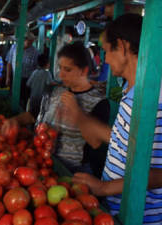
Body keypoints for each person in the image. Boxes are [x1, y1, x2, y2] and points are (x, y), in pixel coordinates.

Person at [61, 14, 162, 224]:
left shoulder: (155, 99)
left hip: (141, 217)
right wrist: (80, 117)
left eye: (107, 51)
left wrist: (105, 187)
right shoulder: (130, 90)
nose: (104, 59)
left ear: (123, 47)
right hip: (115, 210)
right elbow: (124, 141)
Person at [3, 41, 109, 175]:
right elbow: (33, 114)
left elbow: (95, 143)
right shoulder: (55, 91)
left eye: (68, 70)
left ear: (84, 70)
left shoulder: (99, 102)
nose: (61, 75)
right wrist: (15, 121)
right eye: (60, 68)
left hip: (72, 171)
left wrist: (76, 112)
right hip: (42, 162)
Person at [6, 31, 39, 107]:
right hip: (14, 78)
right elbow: (9, 63)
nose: (31, 43)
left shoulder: (35, 52)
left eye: (32, 41)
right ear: (24, 40)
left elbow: (36, 68)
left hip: (27, 80)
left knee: (24, 99)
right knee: (12, 98)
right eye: (29, 41)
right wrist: (8, 77)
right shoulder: (14, 48)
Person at [25, 54, 54, 119]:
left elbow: (28, 84)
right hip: (42, 100)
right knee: (40, 116)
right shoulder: (47, 73)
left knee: (32, 115)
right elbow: (50, 83)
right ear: (47, 64)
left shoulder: (34, 72)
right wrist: (61, 84)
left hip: (33, 98)